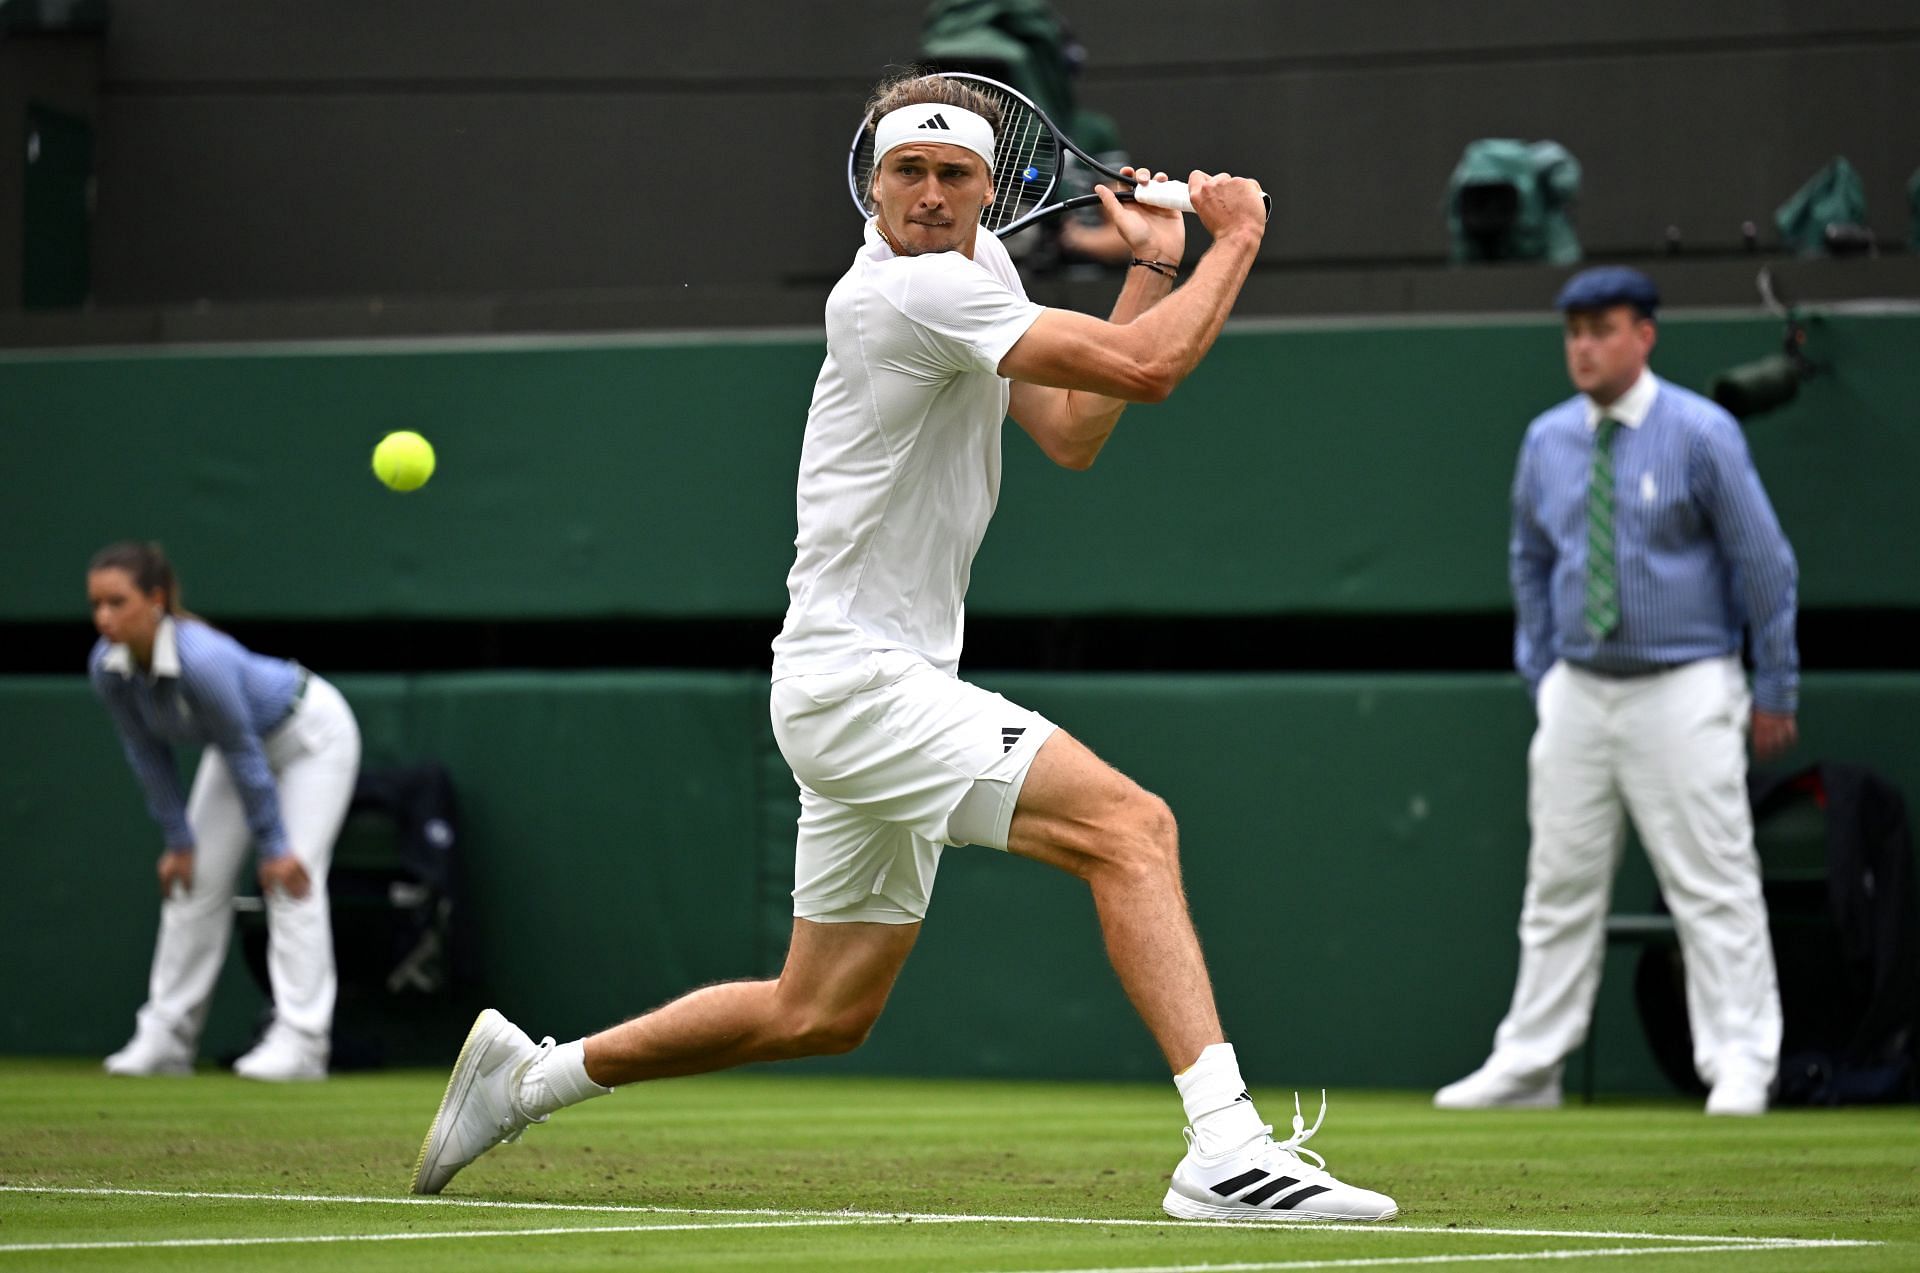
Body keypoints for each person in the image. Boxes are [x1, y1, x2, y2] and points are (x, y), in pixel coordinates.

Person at [411, 71, 1397, 1223]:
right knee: (1132, 828)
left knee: (817, 1010)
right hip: (855, 681)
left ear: (991, 189)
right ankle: (1224, 1147)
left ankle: (525, 1079)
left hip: (873, 684)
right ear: (870, 184)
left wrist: (1155, 264)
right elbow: (1148, 369)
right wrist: (1240, 238)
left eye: (953, 175)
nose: (929, 194)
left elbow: (1074, 430)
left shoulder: (979, 274)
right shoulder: (900, 297)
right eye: (906, 172)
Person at [1436, 266, 1800, 1117]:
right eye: (1574, 331)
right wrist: (1544, 668)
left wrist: (1775, 681)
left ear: (1646, 335)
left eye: (1603, 329)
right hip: (1578, 691)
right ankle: (1531, 1063)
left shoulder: (1703, 432)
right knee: (1557, 881)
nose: (1585, 347)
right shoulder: (1546, 441)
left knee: (1712, 880)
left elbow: (1765, 562)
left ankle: (1743, 1059)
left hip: (1686, 683)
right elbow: (1529, 559)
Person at [88, 541, 361, 1081]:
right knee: (193, 881)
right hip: (241, 751)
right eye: (96, 605)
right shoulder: (107, 668)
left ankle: (303, 1044)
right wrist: (179, 842)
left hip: (311, 736)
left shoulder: (203, 660)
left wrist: (275, 847)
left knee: (292, 881)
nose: (104, 618)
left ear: (157, 599)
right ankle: (166, 1038)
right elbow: (147, 754)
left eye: (118, 603)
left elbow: (243, 753)